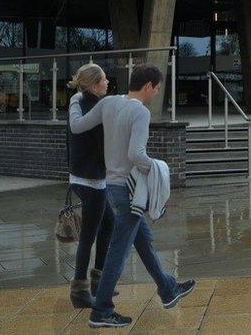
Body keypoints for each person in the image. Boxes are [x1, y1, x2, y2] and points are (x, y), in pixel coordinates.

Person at [69, 64, 195, 329]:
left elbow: (77, 126)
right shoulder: (140, 112)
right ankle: (101, 311)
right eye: (157, 88)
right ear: (148, 86)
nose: (157, 93)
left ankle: (168, 289)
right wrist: (159, 170)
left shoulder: (109, 103)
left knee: (144, 240)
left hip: (112, 187)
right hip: (128, 190)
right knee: (118, 251)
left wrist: (75, 99)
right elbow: (136, 155)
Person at [66, 64, 113, 309]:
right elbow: (102, 145)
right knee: (88, 237)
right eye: (104, 79)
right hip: (91, 180)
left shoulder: (81, 101)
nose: (108, 83)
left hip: (82, 177)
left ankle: (98, 281)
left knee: (109, 223)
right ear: (95, 84)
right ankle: (80, 290)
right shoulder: (93, 106)